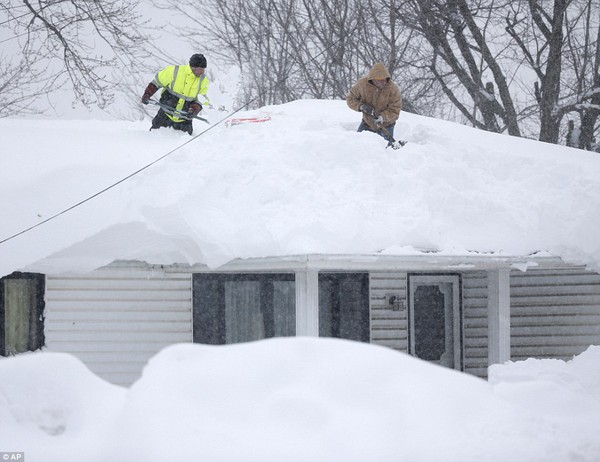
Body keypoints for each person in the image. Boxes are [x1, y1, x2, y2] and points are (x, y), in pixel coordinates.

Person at [141, 53, 210, 135]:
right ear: (193, 67)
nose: (202, 72)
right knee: (153, 138)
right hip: (164, 116)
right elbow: (156, 83)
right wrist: (147, 94)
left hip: (184, 121)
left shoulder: (204, 81)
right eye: (200, 69)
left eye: (203, 69)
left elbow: (202, 100)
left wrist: (194, 109)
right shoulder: (174, 71)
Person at [347, 63, 402, 145]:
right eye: (379, 80)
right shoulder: (362, 84)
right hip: (367, 123)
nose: (382, 83)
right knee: (357, 145)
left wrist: (382, 117)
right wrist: (361, 106)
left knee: (385, 152)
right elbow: (350, 98)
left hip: (386, 126)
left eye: (384, 80)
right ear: (372, 79)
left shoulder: (393, 89)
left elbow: (395, 110)